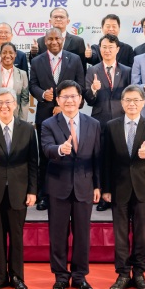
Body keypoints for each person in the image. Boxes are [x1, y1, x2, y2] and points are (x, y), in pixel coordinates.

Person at [40, 80, 101, 289]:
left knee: (82, 234)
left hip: (84, 185)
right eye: (64, 97)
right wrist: (60, 149)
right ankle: (60, 276)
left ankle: (79, 276)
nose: (69, 101)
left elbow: (97, 157)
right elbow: (46, 149)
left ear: (80, 99)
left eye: (73, 96)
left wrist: (97, 186)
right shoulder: (49, 124)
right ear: (58, 100)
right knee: (58, 234)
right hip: (58, 185)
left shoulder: (93, 124)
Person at [0, 87, 38, 289]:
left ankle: (18, 278)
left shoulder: (27, 129)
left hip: (19, 190)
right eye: (0, 102)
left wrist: (32, 191)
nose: (4, 106)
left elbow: (33, 162)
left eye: (8, 102)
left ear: (15, 105)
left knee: (17, 236)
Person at [101, 84, 145, 289]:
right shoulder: (111, 126)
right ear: (122, 103)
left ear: (143, 103)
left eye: (136, 100)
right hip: (119, 187)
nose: (132, 104)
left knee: (141, 233)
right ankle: (123, 274)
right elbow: (105, 159)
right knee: (120, 233)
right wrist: (106, 188)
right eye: (128, 100)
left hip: (143, 187)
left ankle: (140, 273)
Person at [30, 28, 85, 211]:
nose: (54, 42)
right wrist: (41, 94)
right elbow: (32, 85)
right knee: (46, 155)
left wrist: (62, 105)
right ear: (44, 41)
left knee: (70, 155)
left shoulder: (74, 59)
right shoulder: (36, 61)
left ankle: (70, 193)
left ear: (63, 39)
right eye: (50, 39)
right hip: (45, 114)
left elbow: (80, 86)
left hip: (69, 114)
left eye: (57, 38)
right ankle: (45, 195)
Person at [84, 34, 127, 127]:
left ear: (117, 49)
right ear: (100, 48)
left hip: (121, 119)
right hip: (99, 121)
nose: (107, 50)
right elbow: (88, 100)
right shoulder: (92, 70)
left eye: (111, 47)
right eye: (104, 47)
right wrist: (93, 89)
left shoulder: (127, 71)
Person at [0, 42, 30, 119]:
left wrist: (22, 120)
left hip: (15, 116)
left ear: (15, 54)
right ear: (0, 55)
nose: (7, 56)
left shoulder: (22, 74)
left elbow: (25, 99)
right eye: (4, 53)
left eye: (11, 53)